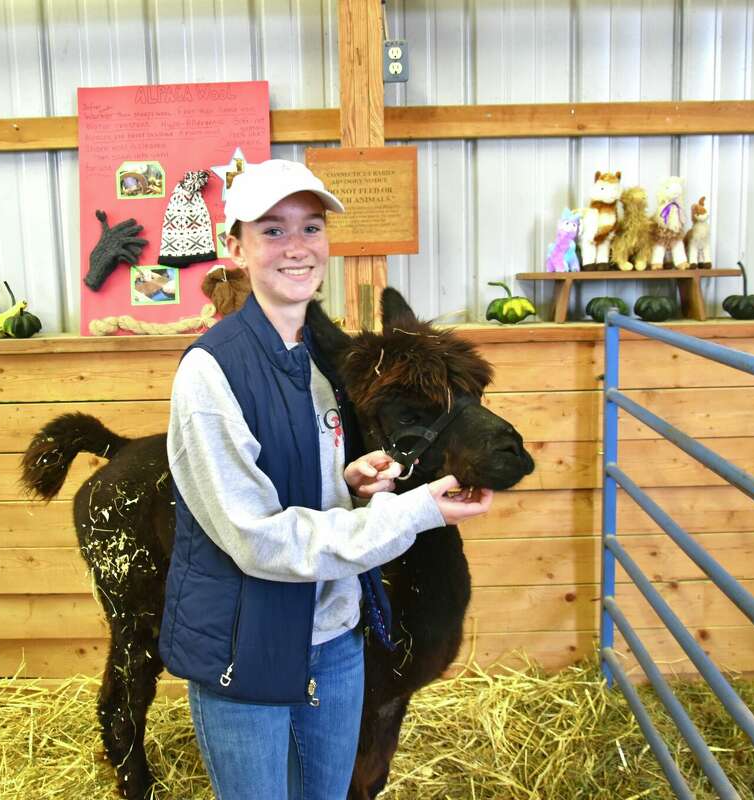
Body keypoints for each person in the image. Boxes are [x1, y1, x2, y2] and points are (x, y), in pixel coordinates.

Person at [158, 158, 494, 800]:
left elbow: (293, 480)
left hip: (335, 637)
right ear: (235, 247)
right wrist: (413, 512)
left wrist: (350, 480)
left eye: (310, 227)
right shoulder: (210, 373)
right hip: (246, 646)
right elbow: (259, 539)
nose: (297, 247)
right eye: (272, 230)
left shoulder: (315, 363)